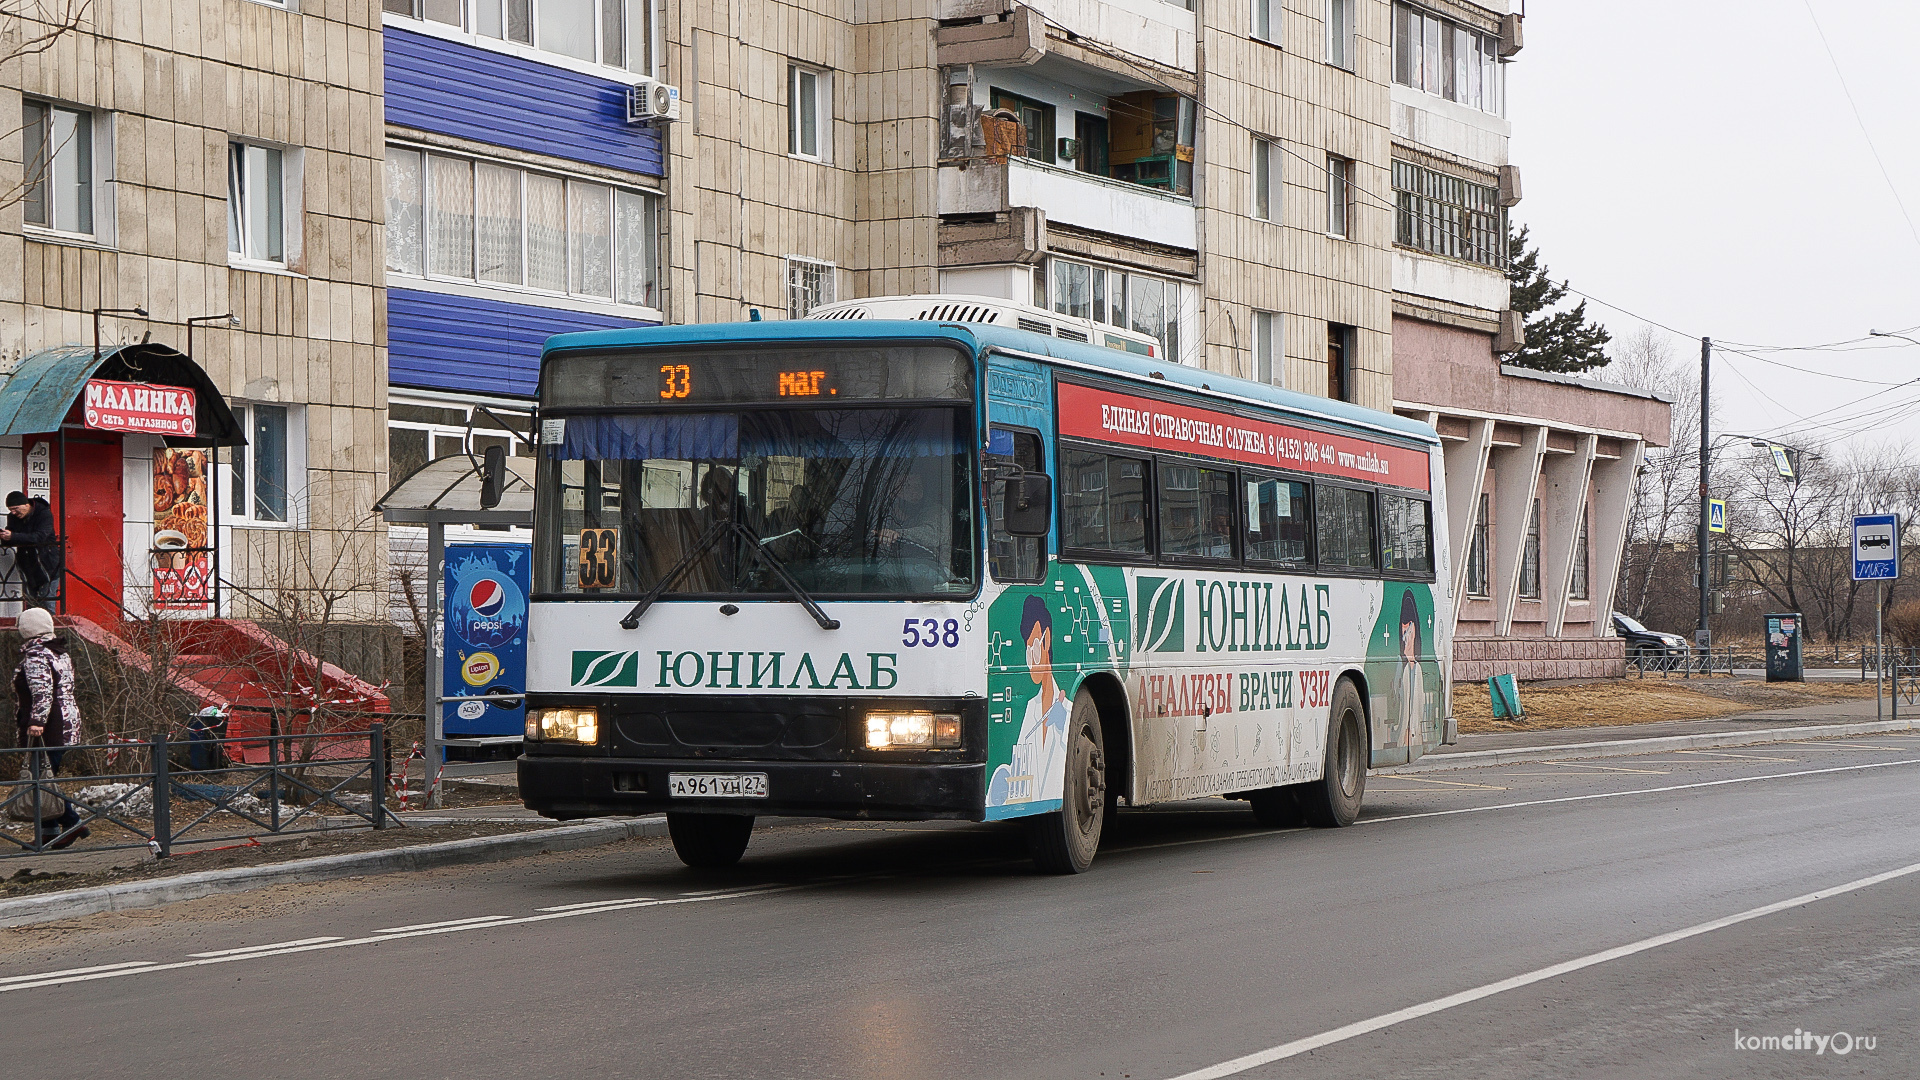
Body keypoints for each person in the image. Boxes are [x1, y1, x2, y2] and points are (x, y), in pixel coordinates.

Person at [13, 606, 85, 848]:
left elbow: (42, 692)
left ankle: (73, 822)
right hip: (65, 723)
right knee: (44, 776)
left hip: (49, 727)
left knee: (39, 780)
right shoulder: (58, 652)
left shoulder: (37, 655)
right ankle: (49, 830)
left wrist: (36, 722)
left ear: (26, 629)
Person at [0, 491, 62, 601]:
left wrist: (13, 536)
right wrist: (5, 537)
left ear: (26, 504)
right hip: (28, 566)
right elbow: (13, 539)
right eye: (10, 510)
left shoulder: (44, 514)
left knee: (47, 604)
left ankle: (50, 619)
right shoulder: (13, 517)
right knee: (31, 604)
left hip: (48, 565)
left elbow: (39, 537)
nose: (13, 512)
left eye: (15, 508)